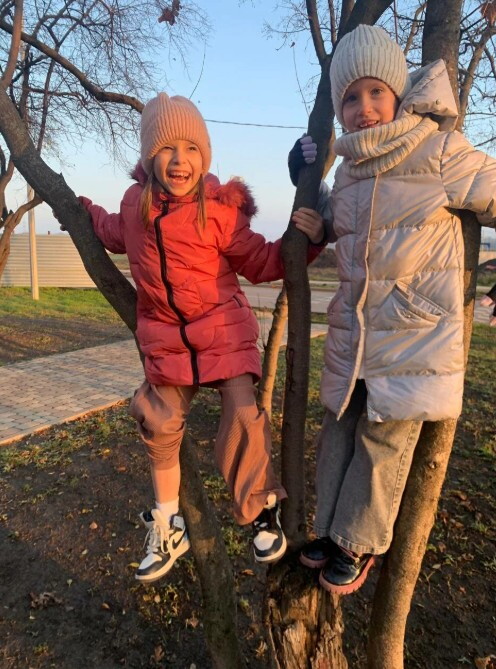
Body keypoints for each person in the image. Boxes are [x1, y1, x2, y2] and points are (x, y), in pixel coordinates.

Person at [79, 93, 324, 584]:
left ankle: (261, 509)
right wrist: (76, 206)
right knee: (156, 418)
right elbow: (108, 230)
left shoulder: (218, 211)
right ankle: (168, 524)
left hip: (223, 334)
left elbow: (263, 261)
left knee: (242, 416)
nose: (180, 160)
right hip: (168, 342)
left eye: (192, 149)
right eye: (168, 149)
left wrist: (311, 239)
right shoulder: (135, 207)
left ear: (205, 156)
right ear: (150, 157)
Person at [288, 24, 496, 595]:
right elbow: (345, 224)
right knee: (339, 428)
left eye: (376, 92)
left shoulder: (438, 151)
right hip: (356, 332)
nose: (363, 109)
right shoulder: (348, 168)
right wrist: (314, 205)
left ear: (399, 94)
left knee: (382, 440)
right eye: (350, 98)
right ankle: (329, 529)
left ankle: (357, 541)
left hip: (412, 333)